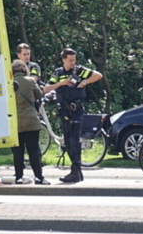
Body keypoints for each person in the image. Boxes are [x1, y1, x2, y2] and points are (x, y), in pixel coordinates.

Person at [43, 48, 104, 183]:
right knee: (68, 141)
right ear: (63, 60)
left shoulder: (79, 70)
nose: (73, 63)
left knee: (75, 141)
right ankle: (76, 172)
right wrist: (62, 83)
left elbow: (98, 75)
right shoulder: (58, 73)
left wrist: (84, 82)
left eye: (74, 60)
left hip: (76, 110)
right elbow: (46, 88)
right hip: (64, 111)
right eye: (70, 60)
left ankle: (76, 171)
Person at [11, 59, 48, 185]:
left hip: (15, 122)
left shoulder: (8, 83)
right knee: (33, 150)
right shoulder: (30, 81)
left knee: (18, 151)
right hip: (31, 120)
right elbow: (39, 95)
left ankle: (19, 177)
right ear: (25, 70)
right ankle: (39, 177)